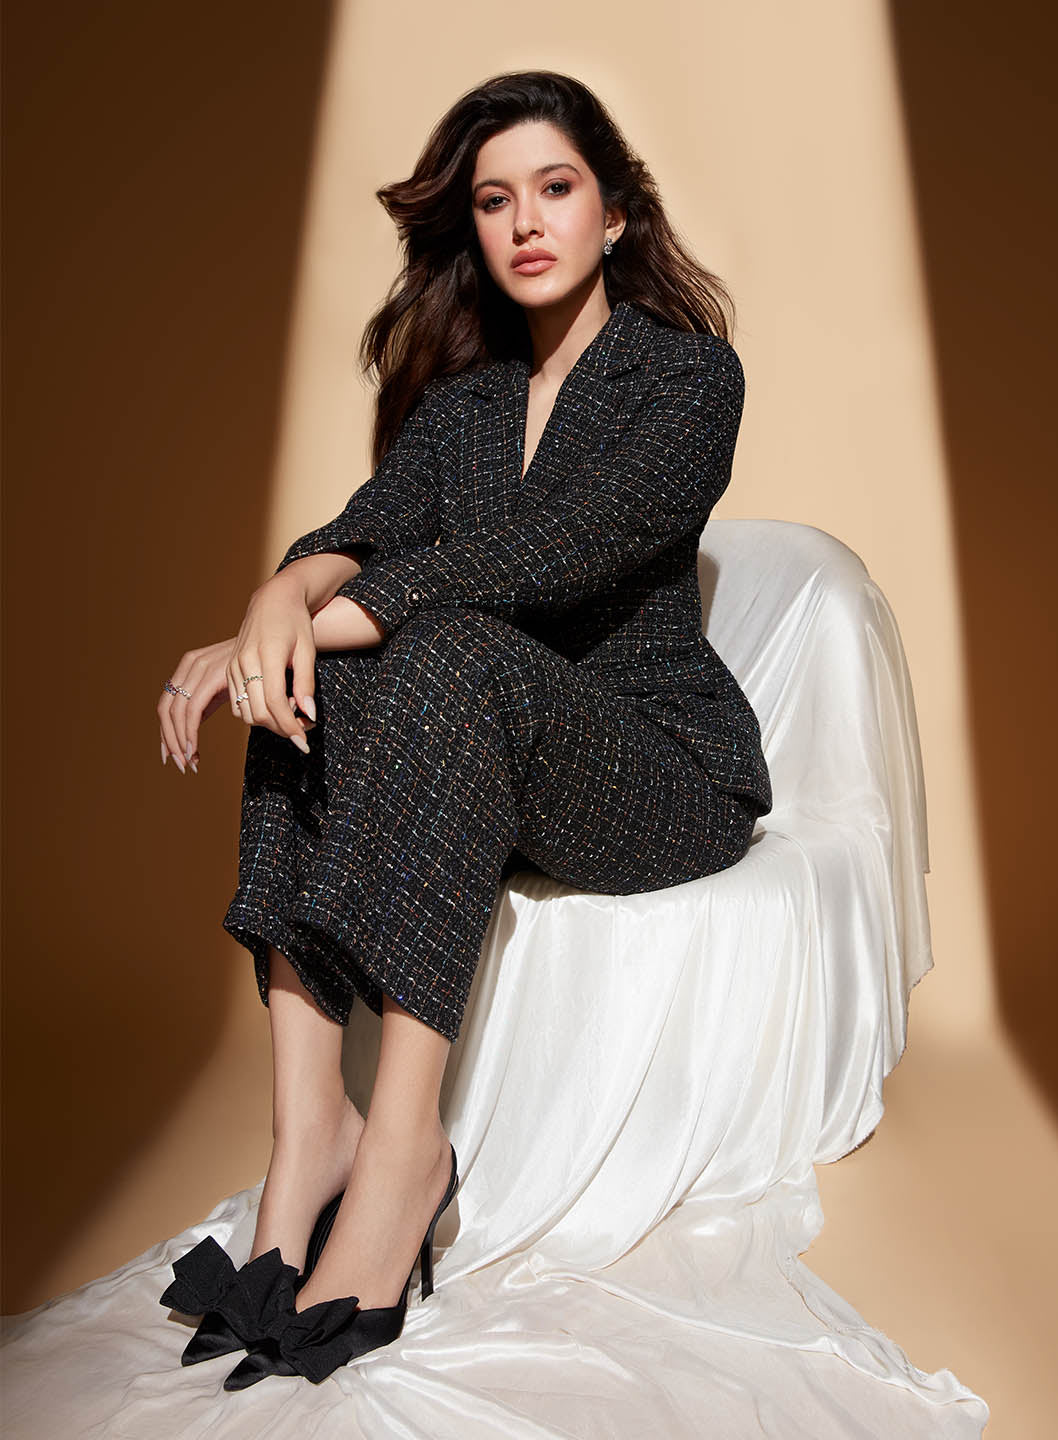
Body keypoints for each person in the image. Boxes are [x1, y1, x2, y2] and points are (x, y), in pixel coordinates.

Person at [155, 69, 772, 1389]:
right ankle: (308, 1136)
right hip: (503, 749)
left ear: (615, 213)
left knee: (436, 648)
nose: (525, 222)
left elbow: (553, 551)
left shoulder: (687, 378)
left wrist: (308, 617)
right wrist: (275, 603)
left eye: (555, 189)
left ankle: (402, 1151)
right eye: (495, 201)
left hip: (657, 772)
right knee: (313, 679)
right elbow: (361, 529)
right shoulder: (468, 405)